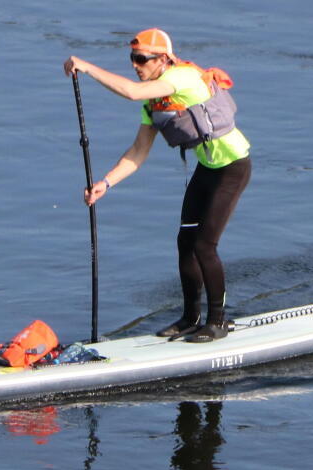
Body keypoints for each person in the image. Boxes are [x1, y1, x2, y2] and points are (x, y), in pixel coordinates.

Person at [63, 28, 252, 343]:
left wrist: (87, 66)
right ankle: (190, 318)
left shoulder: (183, 78)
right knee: (185, 243)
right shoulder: (154, 102)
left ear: (163, 59)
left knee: (205, 245)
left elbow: (132, 92)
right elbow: (138, 152)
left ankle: (218, 321)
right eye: (132, 59)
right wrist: (106, 183)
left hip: (233, 167)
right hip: (208, 168)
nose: (135, 66)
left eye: (141, 59)